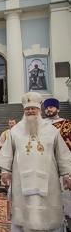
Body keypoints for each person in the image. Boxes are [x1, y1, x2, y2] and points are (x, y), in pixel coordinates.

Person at [0, 92, 71, 232]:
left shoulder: (52, 131)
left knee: (50, 215)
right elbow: (7, 153)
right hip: (21, 181)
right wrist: (5, 172)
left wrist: (67, 175)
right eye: (27, 109)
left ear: (39, 110)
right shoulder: (15, 131)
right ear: (24, 111)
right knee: (23, 216)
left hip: (49, 181)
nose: (30, 111)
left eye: (33, 108)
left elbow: (62, 154)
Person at [44, 97, 71, 231]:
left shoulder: (66, 125)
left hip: (61, 165)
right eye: (47, 107)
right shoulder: (40, 124)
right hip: (44, 165)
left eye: (51, 107)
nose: (48, 109)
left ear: (58, 109)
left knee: (63, 197)